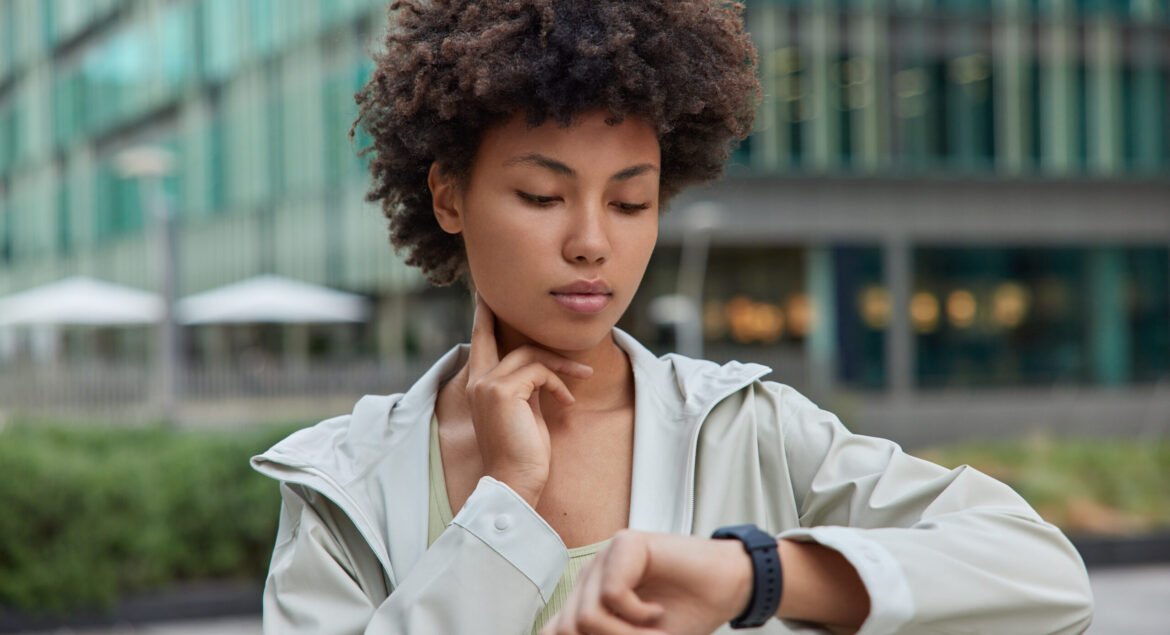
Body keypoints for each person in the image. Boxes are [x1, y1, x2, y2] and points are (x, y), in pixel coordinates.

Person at [251, 1, 1094, 633]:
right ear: (447, 195)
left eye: (631, 200)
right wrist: (503, 502)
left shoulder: (749, 427)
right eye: (542, 195)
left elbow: (1048, 580)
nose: (591, 243)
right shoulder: (345, 482)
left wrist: (755, 575)